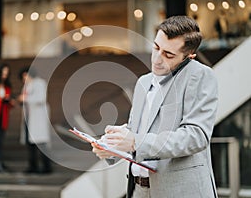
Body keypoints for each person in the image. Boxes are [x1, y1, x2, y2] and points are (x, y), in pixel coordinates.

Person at [92, 16, 218, 198]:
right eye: (156, 47)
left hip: (180, 191)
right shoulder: (144, 81)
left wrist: (136, 141)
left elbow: (196, 136)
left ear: (189, 56)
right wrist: (113, 145)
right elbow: (137, 129)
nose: (157, 59)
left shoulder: (200, 75)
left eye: (168, 55)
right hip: (138, 190)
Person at [18, 67, 52, 174]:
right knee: (30, 145)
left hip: (38, 118)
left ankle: (47, 167)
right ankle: (33, 166)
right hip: (28, 118)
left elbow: (41, 98)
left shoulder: (40, 83)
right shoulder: (26, 86)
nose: (24, 79)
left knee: (41, 144)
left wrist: (25, 99)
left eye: (25, 76)